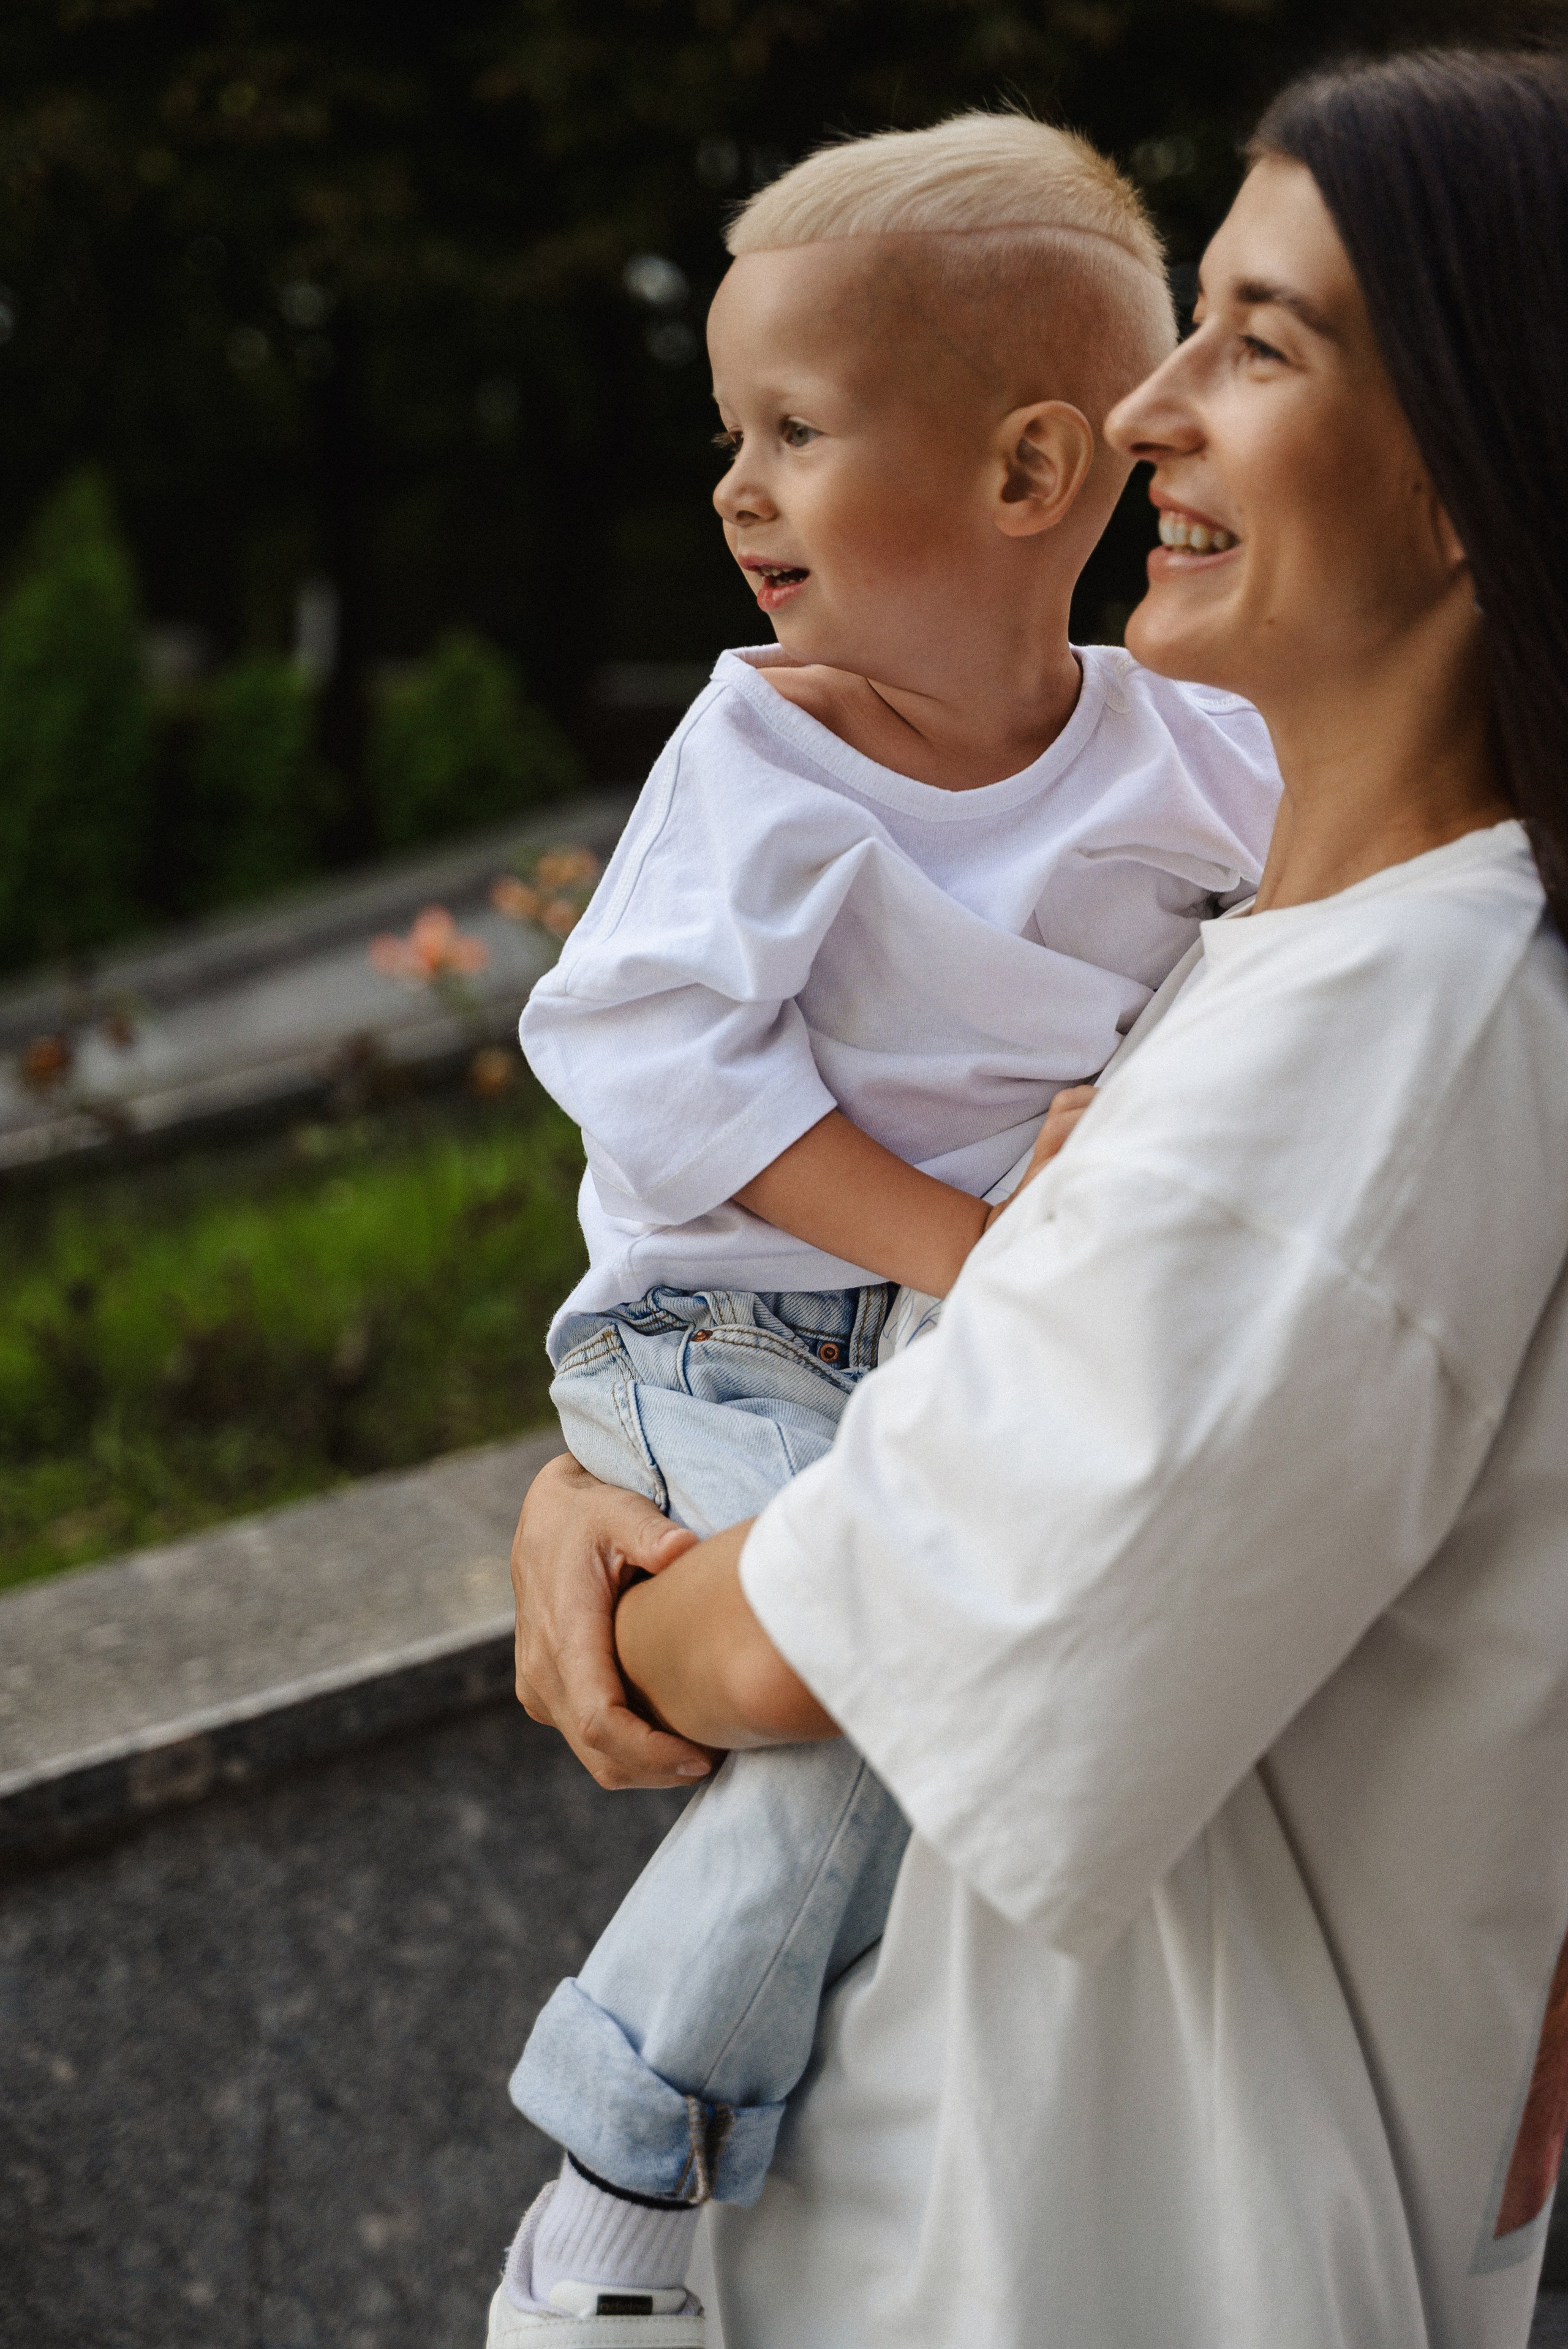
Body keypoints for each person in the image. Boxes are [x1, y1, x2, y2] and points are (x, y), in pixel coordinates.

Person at [511, 48, 1568, 2349]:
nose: (1155, 411)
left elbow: (822, 1649)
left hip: (1080, 2256)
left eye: (1259, 342)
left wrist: (623, 1582)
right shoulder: (1293, 965)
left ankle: (622, 2125)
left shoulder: (1387, 1053)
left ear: (1490, 462)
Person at [490, 113, 1280, 2342]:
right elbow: (662, 1074)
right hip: (719, 1339)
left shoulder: (1194, 756)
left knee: (910, 1658)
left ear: (1035, 478)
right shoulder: (761, 759)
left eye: (799, 432)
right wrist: (978, 1251)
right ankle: (612, 2175)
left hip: (949, 1329)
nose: (737, 489)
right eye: (731, 432)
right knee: (873, 1662)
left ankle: (662, 2135)